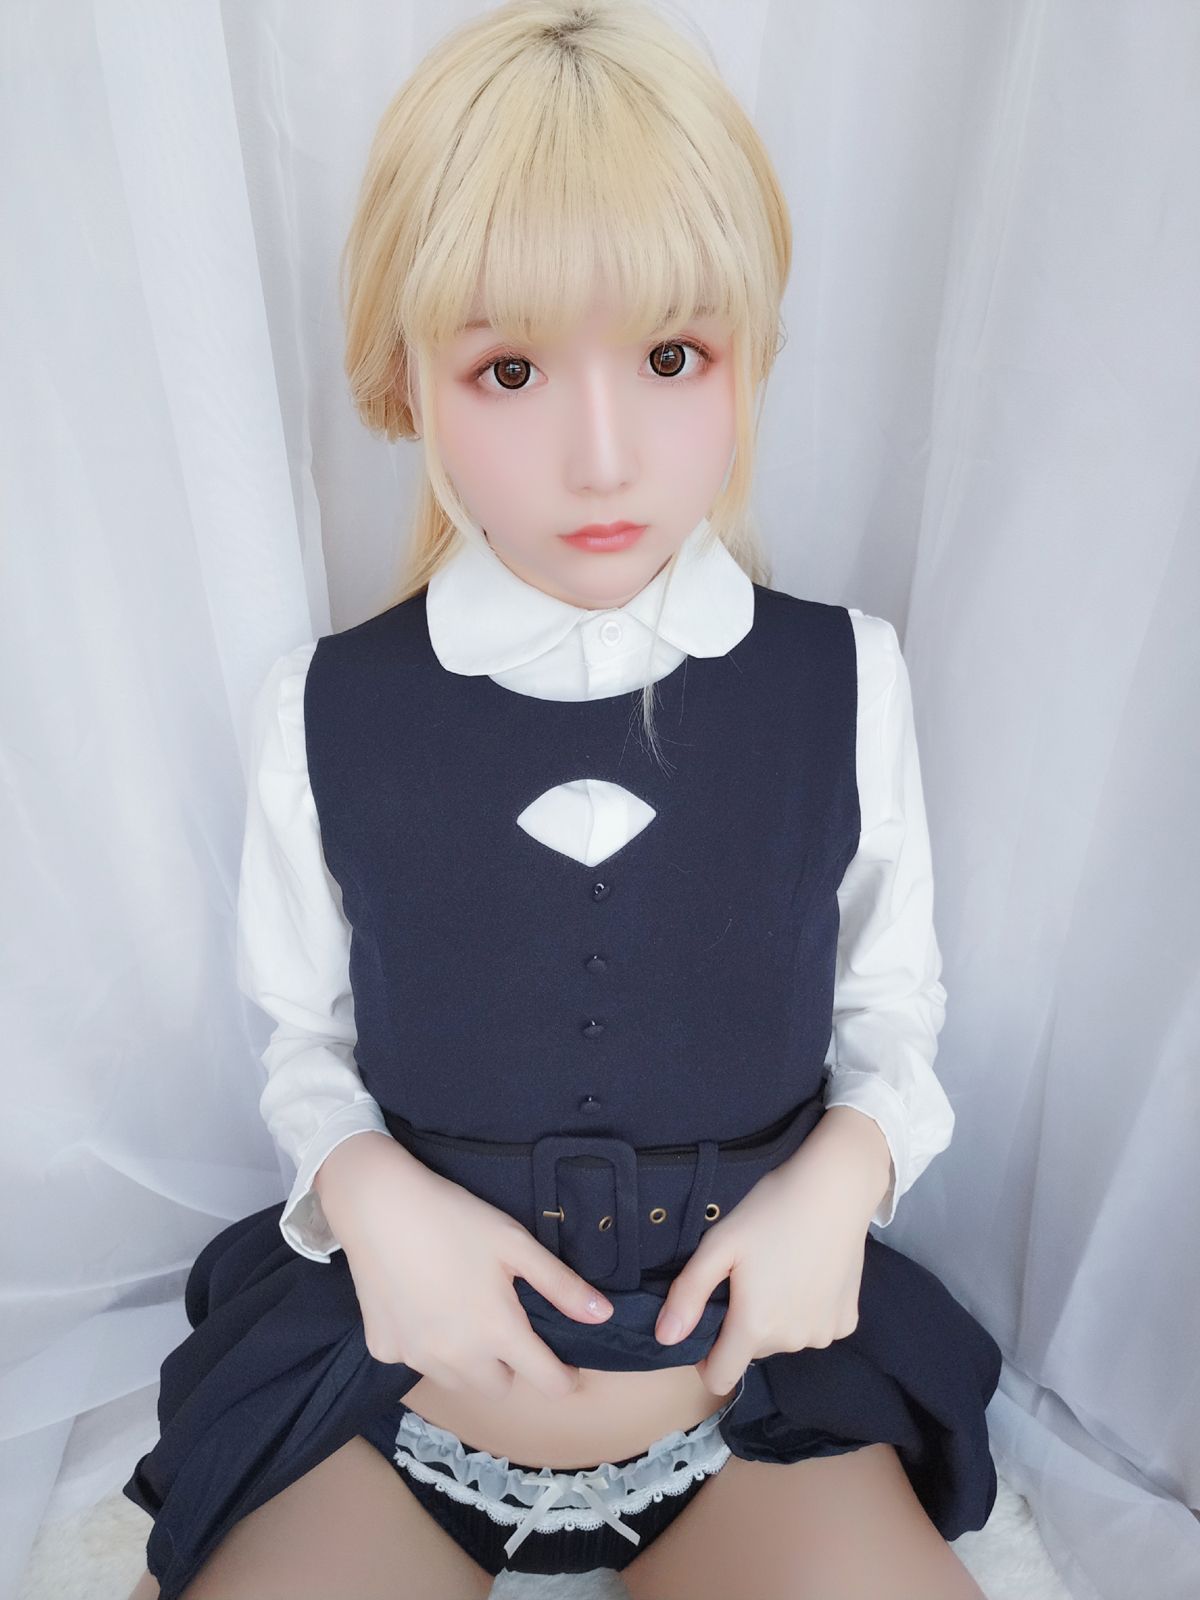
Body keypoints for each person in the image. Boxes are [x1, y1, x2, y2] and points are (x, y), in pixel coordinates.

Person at [123, 2, 1003, 1595]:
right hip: (397, 1400)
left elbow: (895, 1010)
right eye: (512, 368)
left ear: (747, 353)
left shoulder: (848, 679)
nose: (602, 457)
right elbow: (302, 1036)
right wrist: (365, 1192)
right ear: (407, 380)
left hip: (747, 1407)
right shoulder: (323, 705)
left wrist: (845, 1176)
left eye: (671, 357)